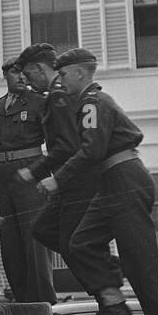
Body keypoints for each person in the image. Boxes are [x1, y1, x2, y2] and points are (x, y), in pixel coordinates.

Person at [39, 48, 158, 315]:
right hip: (111, 182)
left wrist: (59, 179)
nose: (60, 80)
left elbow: (92, 150)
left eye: (63, 74)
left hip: (125, 180)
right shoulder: (86, 104)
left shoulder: (93, 102)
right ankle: (113, 303)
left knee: (140, 258)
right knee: (81, 242)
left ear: (80, 73)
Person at [17, 43, 99, 291]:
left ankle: (106, 284)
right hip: (69, 179)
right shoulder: (61, 93)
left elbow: (66, 145)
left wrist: (35, 171)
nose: (29, 83)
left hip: (74, 181)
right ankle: (104, 276)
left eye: (29, 75)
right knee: (45, 230)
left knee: (71, 243)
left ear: (40, 69)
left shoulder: (57, 96)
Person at [0, 60, 55, 302]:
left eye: (25, 72)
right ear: (5, 75)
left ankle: (43, 300)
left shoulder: (40, 103)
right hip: (5, 177)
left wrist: (57, 178)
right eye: (15, 72)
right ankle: (21, 298)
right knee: (10, 242)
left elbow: (56, 143)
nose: (21, 77)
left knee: (35, 240)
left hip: (31, 173)